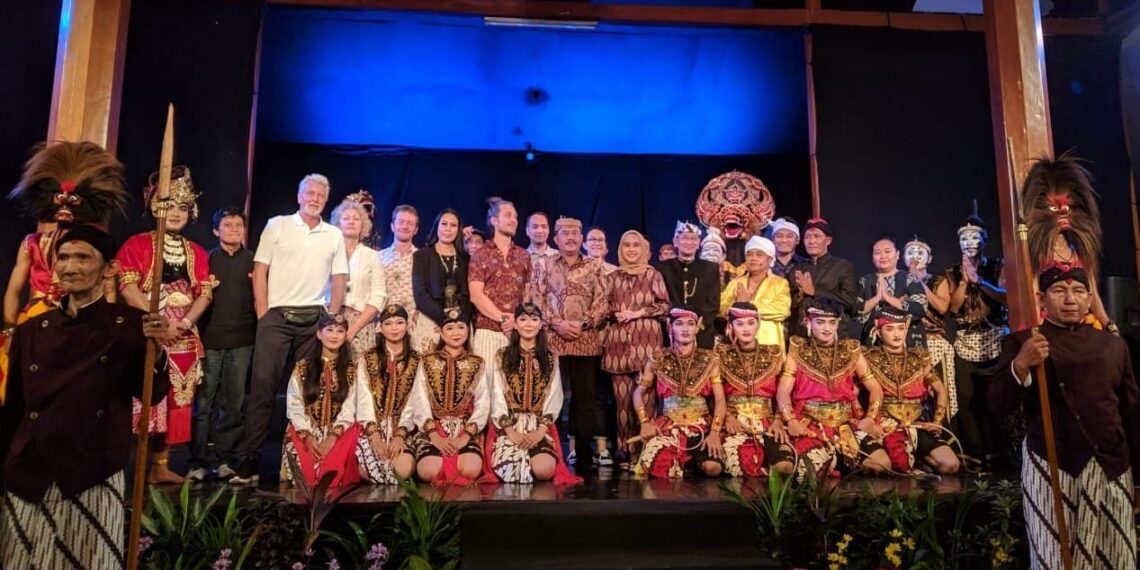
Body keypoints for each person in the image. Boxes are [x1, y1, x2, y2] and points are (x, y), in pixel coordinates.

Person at [0, 225, 170, 568]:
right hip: (29, 475)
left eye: (82, 257)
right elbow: (14, 411)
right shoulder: (31, 329)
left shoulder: (131, 324)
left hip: (90, 473)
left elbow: (150, 394)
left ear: (109, 268)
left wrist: (157, 352)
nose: (70, 266)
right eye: (63, 257)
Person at [990, 261, 1139, 569]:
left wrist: (1139, 479)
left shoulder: (1114, 345)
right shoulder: (1024, 342)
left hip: (1110, 467)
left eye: (1079, 291)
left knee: (1115, 559)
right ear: (1042, 299)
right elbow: (996, 404)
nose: (1070, 299)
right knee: (1054, 560)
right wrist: (1021, 364)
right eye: (1059, 291)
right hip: (1050, 466)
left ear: (1090, 298)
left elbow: (1132, 412)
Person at [231, 173, 348, 484]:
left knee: (308, 390)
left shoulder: (333, 234)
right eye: (310, 193)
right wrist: (263, 313)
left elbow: (339, 277)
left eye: (320, 195)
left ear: (326, 200)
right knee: (263, 388)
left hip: (314, 319)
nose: (315, 198)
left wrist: (332, 316)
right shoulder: (277, 225)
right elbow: (260, 270)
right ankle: (249, 460)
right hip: (277, 316)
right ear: (299, 196)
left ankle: (302, 459)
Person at [3, 141, 130, 405]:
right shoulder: (32, 243)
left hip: (76, 321)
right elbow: (14, 290)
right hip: (36, 321)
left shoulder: (93, 246)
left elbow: (108, 289)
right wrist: (10, 330)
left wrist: (105, 328)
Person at [116, 166, 214, 484]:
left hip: (183, 333)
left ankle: (161, 465)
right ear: (156, 207)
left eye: (183, 207)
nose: (176, 213)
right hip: (148, 330)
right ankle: (132, 465)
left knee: (176, 400)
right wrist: (160, 323)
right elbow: (128, 288)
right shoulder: (137, 245)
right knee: (145, 398)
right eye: (170, 206)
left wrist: (183, 322)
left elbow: (204, 294)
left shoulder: (197, 252)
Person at [776, 298, 889, 478]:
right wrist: (790, 420)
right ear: (808, 322)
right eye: (820, 322)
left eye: (832, 322)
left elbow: (875, 388)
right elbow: (783, 391)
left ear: (838, 324)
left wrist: (870, 418)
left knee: (882, 464)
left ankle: (839, 460)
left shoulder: (851, 350)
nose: (827, 328)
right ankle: (837, 461)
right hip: (811, 423)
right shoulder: (798, 349)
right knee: (806, 472)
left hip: (845, 423)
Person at [533, 217, 611, 469]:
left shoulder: (594, 266)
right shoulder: (544, 265)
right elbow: (536, 299)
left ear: (581, 238)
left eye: (575, 233)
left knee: (585, 399)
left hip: (585, 342)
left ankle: (585, 456)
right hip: (553, 342)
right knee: (551, 397)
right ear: (555, 238)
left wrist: (583, 324)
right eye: (564, 233)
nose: (570, 237)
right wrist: (558, 324)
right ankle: (551, 452)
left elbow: (603, 301)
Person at [934, 209, 1007, 469]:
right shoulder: (952, 272)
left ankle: (998, 455)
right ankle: (974, 454)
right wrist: (965, 283)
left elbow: (1006, 297)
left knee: (994, 397)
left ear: (984, 239)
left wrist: (980, 281)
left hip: (995, 339)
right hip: (965, 341)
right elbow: (952, 309)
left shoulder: (998, 266)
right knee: (967, 399)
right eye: (963, 238)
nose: (969, 242)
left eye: (974, 237)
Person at [189, 208, 256, 482]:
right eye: (228, 225)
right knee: (204, 403)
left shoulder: (254, 261)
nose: (234, 230)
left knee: (234, 403)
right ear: (216, 230)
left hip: (242, 340)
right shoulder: (205, 260)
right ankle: (198, 462)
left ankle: (226, 460)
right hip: (210, 339)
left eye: (238, 225)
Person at [487, 303, 578, 484]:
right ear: (515, 324)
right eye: (523, 319)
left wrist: (540, 432)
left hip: (539, 425)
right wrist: (511, 432)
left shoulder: (550, 357)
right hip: (510, 424)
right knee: (510, 471)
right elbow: (496, 395)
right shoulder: (502, 356)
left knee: (544, 470)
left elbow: (555, 396)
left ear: (541, 324)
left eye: (534, 319)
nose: (528, 324)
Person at [863, 307, 959, 474]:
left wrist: (937, 420)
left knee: (951, 465)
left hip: (916, 423)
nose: (896, 334)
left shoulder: (919, 358)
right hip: (886, 424)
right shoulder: (868, 358)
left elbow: (940, 390)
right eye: (889, 329)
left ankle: (919, 458)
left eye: (901, 328)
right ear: (878, 332)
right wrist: (869, 420)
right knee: (889, 466)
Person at [633, 306, 726, 478]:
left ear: (697, 328)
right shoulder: (658, 358)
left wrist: (714, 432)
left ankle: (692, 462)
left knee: (713, 468)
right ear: (670, 327)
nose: (685, 329)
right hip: (669, 425)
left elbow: (720, 399)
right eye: (679, 324)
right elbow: (639, 393)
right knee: (655, 469)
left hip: (701, 426)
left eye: (690, 324)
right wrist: (644, 422)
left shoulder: (710, 359)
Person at [602, 230, 669, 469]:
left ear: (643, 249)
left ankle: (646, 453)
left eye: (636, 245)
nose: (631, 249)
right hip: (618, 346)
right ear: (620, 249)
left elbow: (664, 306)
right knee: (622, 404)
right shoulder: (612, 277)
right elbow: (602, 307)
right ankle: (624, 451)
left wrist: (638, 312)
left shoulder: (653, 274)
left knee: (647, 401)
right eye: (627, 245)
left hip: (647, 344)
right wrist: (616, 313)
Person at [282, 311, 365, 488]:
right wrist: (307, 437)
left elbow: (350, 406)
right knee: (305, 476)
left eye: (340, 331)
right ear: (319, 334)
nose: (334, 335)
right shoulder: (302, 367)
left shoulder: (352, 370)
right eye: (330, 330)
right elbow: (294, 404)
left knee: (331, 475)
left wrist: (333, 437)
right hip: (307, 430)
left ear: (346, 336)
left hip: (340, 431)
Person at [409, 308, 489, 485]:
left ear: (468, 331)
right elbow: (419, 399)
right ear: (441, 332)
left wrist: (465, 437)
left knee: (470, 470)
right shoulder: (427, 361)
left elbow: (483, 403)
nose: (456, 333)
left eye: (461, 327)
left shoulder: (477, 363)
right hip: (433, 428)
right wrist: (434, 436)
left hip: (464, 429)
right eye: (450, 328)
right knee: (428, 472)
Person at [718, 303, 790, 477]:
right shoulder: (720, 354)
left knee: (785, 466)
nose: (746, 329)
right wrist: (727, 417)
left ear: (758, 324)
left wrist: (778, 421)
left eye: (750, 323)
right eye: (739, 324)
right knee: (739, 468)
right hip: (735, 422)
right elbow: (714, 396)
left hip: (768, 422)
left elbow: (782, 394)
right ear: (731, 326)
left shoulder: (773, 354)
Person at [354, 304, 420, 484]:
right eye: (388, 324)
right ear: (380, 328)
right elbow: (364, 398)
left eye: (399, 323)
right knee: (361, 471)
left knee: (403, 469)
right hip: (372, 427)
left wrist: (400, 434)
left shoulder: (417, 360)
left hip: (405, 428)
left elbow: (415, 401)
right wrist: (375, 436)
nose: (394, 328)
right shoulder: (367, 359)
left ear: (408, 326)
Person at [468, 198, 530, 373]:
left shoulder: (524, 255)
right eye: (508, 215)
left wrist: (517, 321)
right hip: (488, 330)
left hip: (516, 331)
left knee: (513, 384)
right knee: (486, 384)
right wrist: (503, 318)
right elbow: (476, 295)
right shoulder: (481, 254)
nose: (514, 220)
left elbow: (527, 294)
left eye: (515, 216)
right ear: (494, 220)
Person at [904, 236, 958, 422]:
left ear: (929, 258)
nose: (915, 256)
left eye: (920, 252)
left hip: (934, 343)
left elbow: (942, 307)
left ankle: (942, 427)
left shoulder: (938, 280)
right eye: (910, 252)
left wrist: (919, 284)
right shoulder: (899, 279)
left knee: (938, 390)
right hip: (908, 343)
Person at [331, 195, 387, 359]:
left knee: (358, 372)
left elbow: (378, 295)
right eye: (346, 218)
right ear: (338, 224)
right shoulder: (327, 252)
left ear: (363, 225)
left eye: (356, 219)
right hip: (329, 323)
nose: (351, 222)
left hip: (360, 324)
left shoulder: (372, 256)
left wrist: (354, 327)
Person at [787, 218, 858, 340]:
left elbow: (850, 302)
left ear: (828, 240)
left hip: (834, 335)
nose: (811, 241)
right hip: (803, 335)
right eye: (807, 237)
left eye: (816, 236)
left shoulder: (842, 266)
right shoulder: (797, 269)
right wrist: (799, 295)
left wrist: (815, 292)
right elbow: (790, 308)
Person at [412, 208, 471, 353]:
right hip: (430, 321)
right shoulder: (421, 255)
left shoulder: (466, 258)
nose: (448, 229)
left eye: (453, 225)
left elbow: (469, 294)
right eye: (444, 224)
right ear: (437, 226)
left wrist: (459, 321)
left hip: (460, 323)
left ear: (459, 229)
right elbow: (420, 294)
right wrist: (445, 320)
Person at [718, 236, 791, 348]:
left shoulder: (780, 283)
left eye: (759, 254)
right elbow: (720, 307)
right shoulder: (736, 282)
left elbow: (782, 310)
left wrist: (748, 304)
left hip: (769, 344)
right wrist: (736, 305)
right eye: (749, 254)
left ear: (769, 259)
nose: (753, 258)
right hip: (737, 343)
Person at [856, 237, 927, 348]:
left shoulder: (910, 279)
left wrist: (889, 298)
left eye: (887, 251)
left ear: (898, 255)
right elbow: (855, 312)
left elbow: (920, 309)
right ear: (872, 257)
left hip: (908, 341)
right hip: (873, 342)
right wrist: (877, 298)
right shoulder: (865, 281)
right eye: (877, 253)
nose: (883, 256)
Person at [658, 222, 720, 349]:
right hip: (671, 332)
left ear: (698, 243)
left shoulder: (710, 268)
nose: (689, 242)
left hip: (702, 332)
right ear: (675, 241)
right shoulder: (663, 268)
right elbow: (661, 300)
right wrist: (676, 324)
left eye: (693, 238)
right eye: (685, 238)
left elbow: (713, 304)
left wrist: (696, 326)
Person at [378, 205, 419, 336]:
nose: (405, 226)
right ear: (392, 226)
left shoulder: (423, 258)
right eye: (401, 222)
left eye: (410, 223)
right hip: (383, 324)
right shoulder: (378, 257)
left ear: (416, 229)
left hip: (414, 326)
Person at [525, 212, 559, 286]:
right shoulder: (519, 258)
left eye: (544, 227)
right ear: (527, 231)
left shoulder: (560, 257)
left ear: (548, 230)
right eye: (535, 227)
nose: (540, 230)